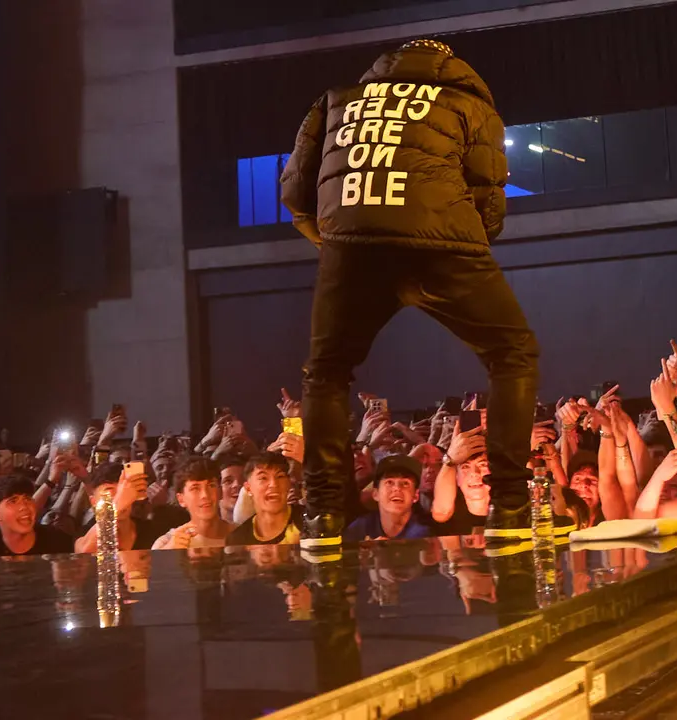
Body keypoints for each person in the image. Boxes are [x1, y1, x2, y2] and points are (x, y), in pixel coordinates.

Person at [280, 37, 539, 547]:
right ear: (452, 69)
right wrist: (470, 247)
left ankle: (323, 515)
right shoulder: (470, 105)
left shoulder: (335, 101)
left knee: (326, 373)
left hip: (351, 249)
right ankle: (510, 504)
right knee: (513, 354)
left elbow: (294, 191)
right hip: (444, 248)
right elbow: (489, 196)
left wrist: (332, 246)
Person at [344, 455, 434, 542]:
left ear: (415, 496)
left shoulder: (426, 533)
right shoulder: (360, 527)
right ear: (376, 494)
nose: (397, 488)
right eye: (389, 482)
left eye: (405, 483)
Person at [153, 457, 233, 550]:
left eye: (211, 486)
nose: (205, 495)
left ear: (220, 492)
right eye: (195, 488)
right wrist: (169, 553)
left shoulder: (243, 534)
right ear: (181, 499)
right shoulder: (167, 543)